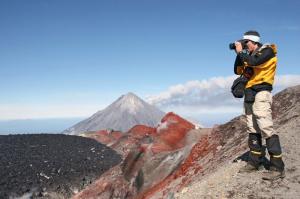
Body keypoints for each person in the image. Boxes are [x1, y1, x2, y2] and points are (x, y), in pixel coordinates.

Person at [233, 30, 285, 180]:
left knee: (265, 126)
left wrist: (241, 52)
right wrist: (239, 54)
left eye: (246, 43)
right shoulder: (249, 56)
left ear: (254, 41)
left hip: (262, 91)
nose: (245, 46)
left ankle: (277, 166)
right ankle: (255, 162)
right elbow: (237, 71)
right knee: (252, 127)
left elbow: (254, 62)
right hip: (249, 93)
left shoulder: (268, 51)